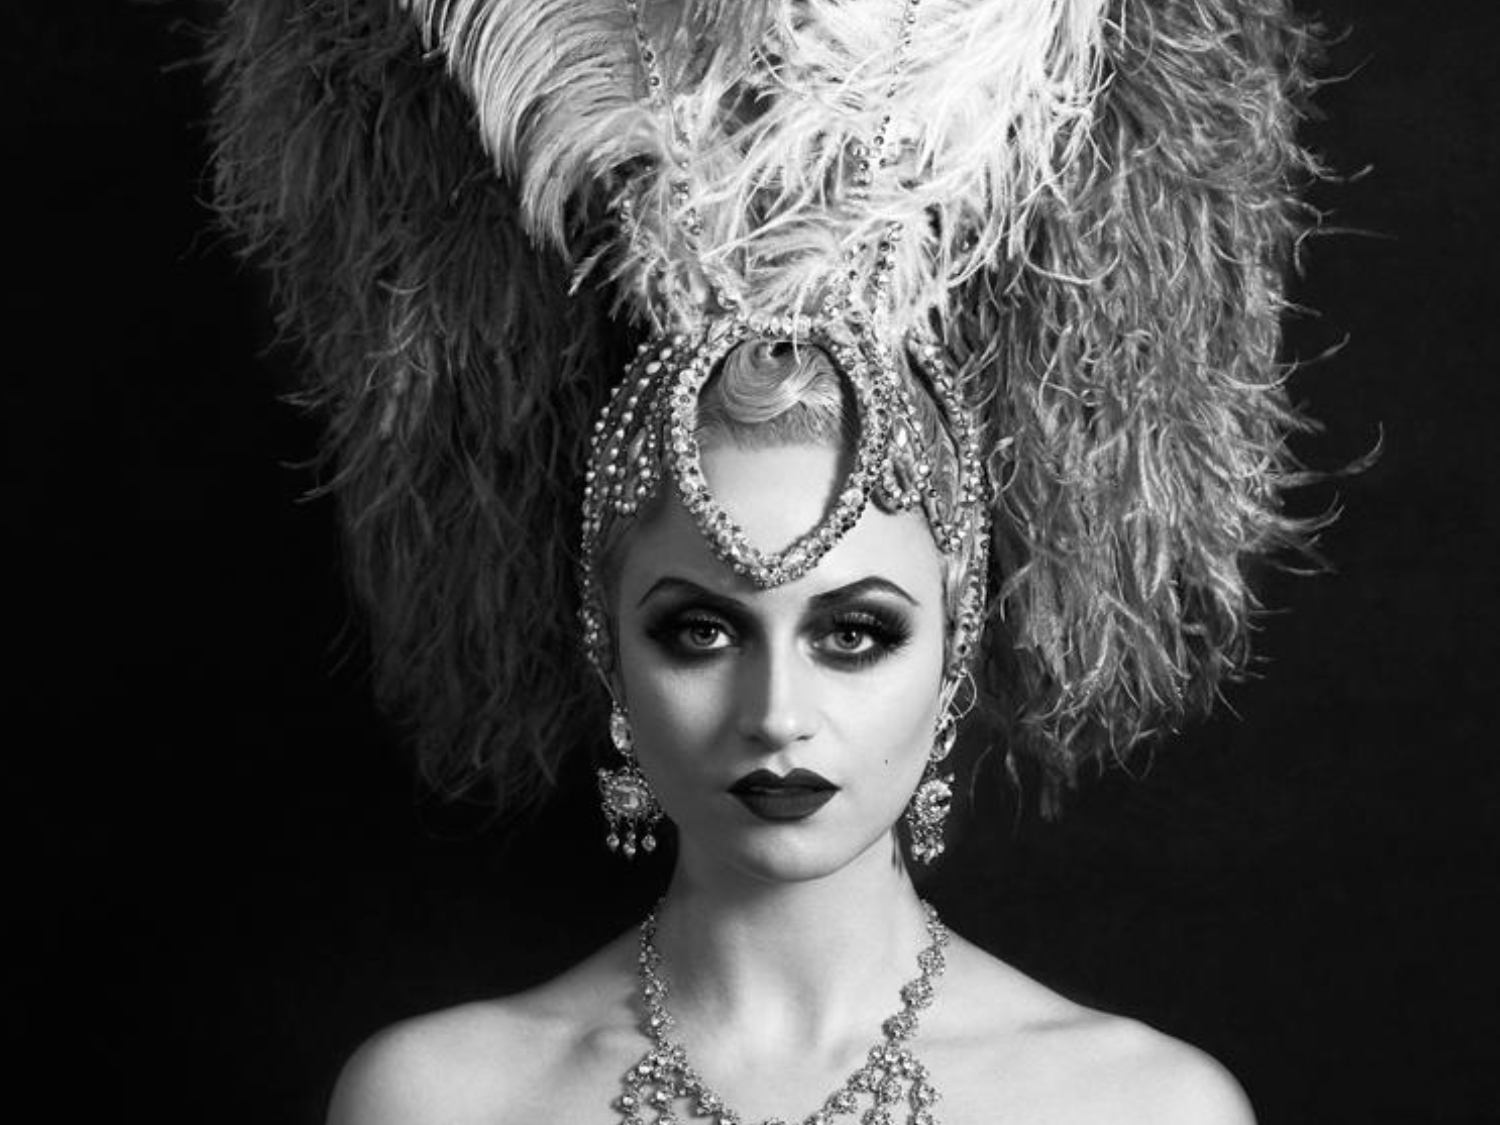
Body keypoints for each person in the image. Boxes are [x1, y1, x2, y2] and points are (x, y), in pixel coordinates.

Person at [208, 0, 1327, 1121]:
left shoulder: (1140, 1109)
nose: (777, 711)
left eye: (855, 634)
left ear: (954, 645)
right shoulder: (442, 1100)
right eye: (701, 630)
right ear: (608, 647)